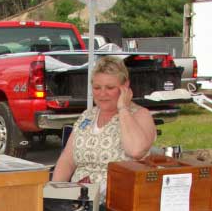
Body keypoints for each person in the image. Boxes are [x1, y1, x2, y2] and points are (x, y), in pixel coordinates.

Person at [52, 56, 157, 201]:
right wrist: (54, 193)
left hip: (118, 204)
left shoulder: (140, 115)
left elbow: (136, 151)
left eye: (110, 88)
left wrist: (123, 109)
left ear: (125, 86)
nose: (102, 94)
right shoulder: (87, 116)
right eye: (97, 88)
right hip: (80, 201)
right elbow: (68, 160)